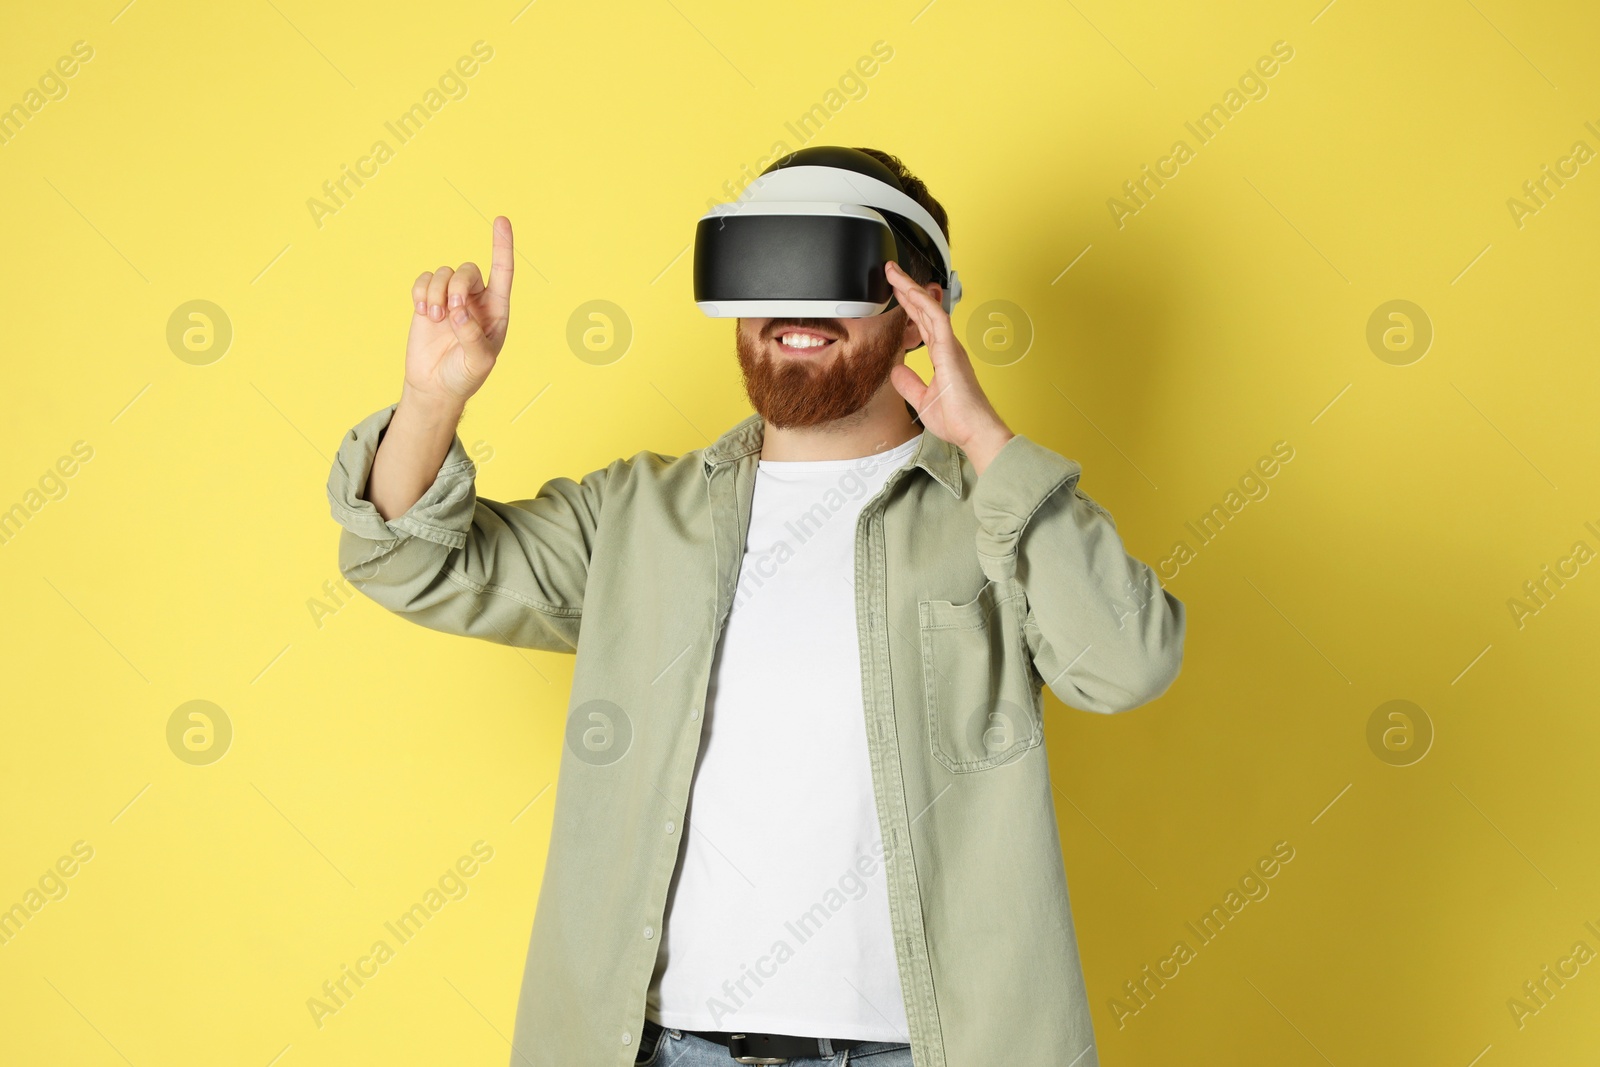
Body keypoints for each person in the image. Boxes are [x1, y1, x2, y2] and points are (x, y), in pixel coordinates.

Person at [325, 147, 1186, 1067]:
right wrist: (431, 399)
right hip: (666, 1050)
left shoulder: (997, 514)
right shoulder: (634, 519)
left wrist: (984, 440)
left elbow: (1127, 662)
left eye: (836, 275)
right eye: (764, 270)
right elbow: (404, 560)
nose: (795, 308)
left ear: (918, 312)